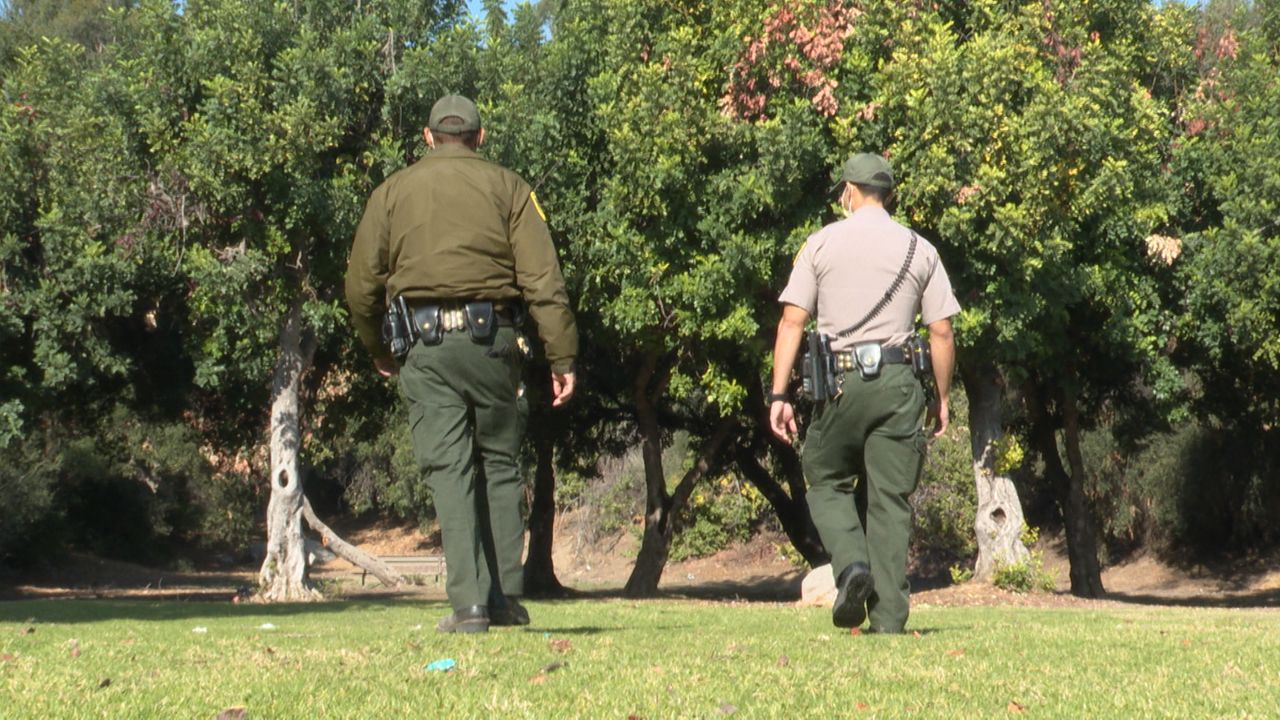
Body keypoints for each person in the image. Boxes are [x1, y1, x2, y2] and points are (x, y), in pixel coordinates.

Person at [345, 94, 578, 633]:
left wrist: (378, 349)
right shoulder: (511, 188)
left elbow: (361, 286)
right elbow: (544, 282)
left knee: (449, 470)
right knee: (499, 463)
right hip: (495, 342)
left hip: (424, 348)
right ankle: (504, 599)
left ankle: (468, 605)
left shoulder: (391, 192)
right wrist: (562, 355)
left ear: (427, 138)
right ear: (480, 136)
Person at [767, 152, 958, 634]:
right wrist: (942, 397)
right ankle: (889, 619)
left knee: (826, 478)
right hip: (898, 384)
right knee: (889, 500)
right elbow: (941, 333)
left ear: (849, 192)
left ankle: (851, 565)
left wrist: (778, 395)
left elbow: (792, 321)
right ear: (888, 195)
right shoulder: (921, 249)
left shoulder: (820, 244)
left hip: (840, 383)